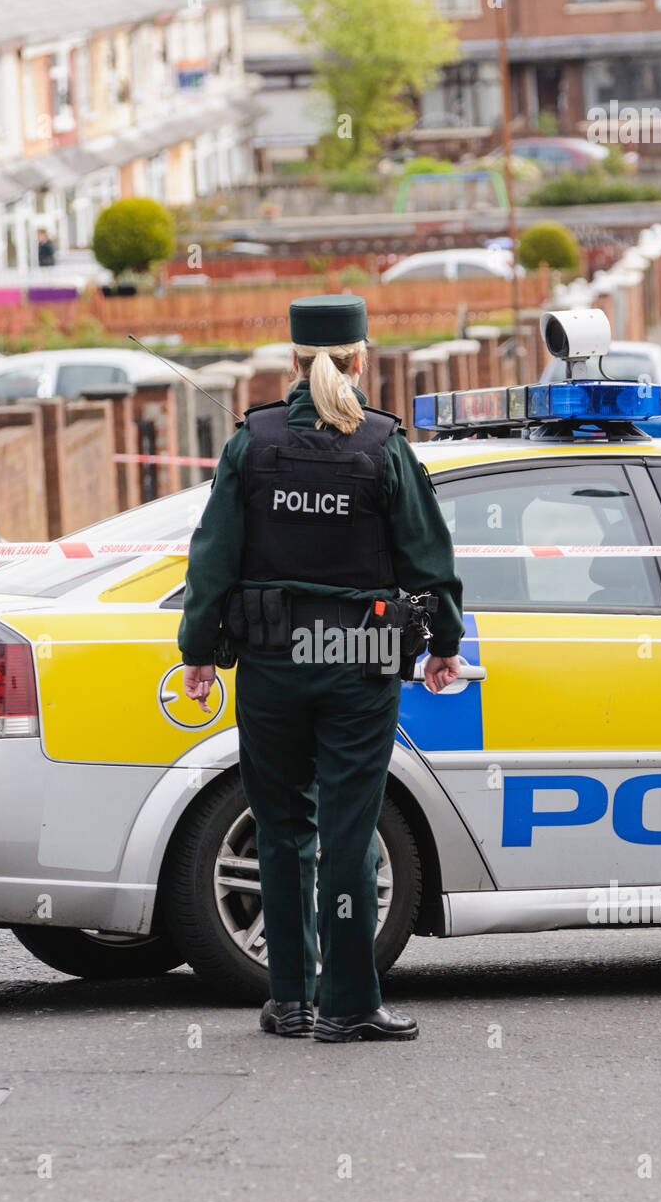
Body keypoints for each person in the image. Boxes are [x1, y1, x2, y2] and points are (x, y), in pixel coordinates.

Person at [179, 294, 463, 1042]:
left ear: (292, 361)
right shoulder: (382, 444)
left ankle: (290, 999)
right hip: (359, 654)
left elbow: (212, 557)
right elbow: (426, 556)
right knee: (347, 830)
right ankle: (346, 1003)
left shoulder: (252, 441)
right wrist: (443, 643)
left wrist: (199, 653)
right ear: (361, 357)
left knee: (280, 830)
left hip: (272, 655)